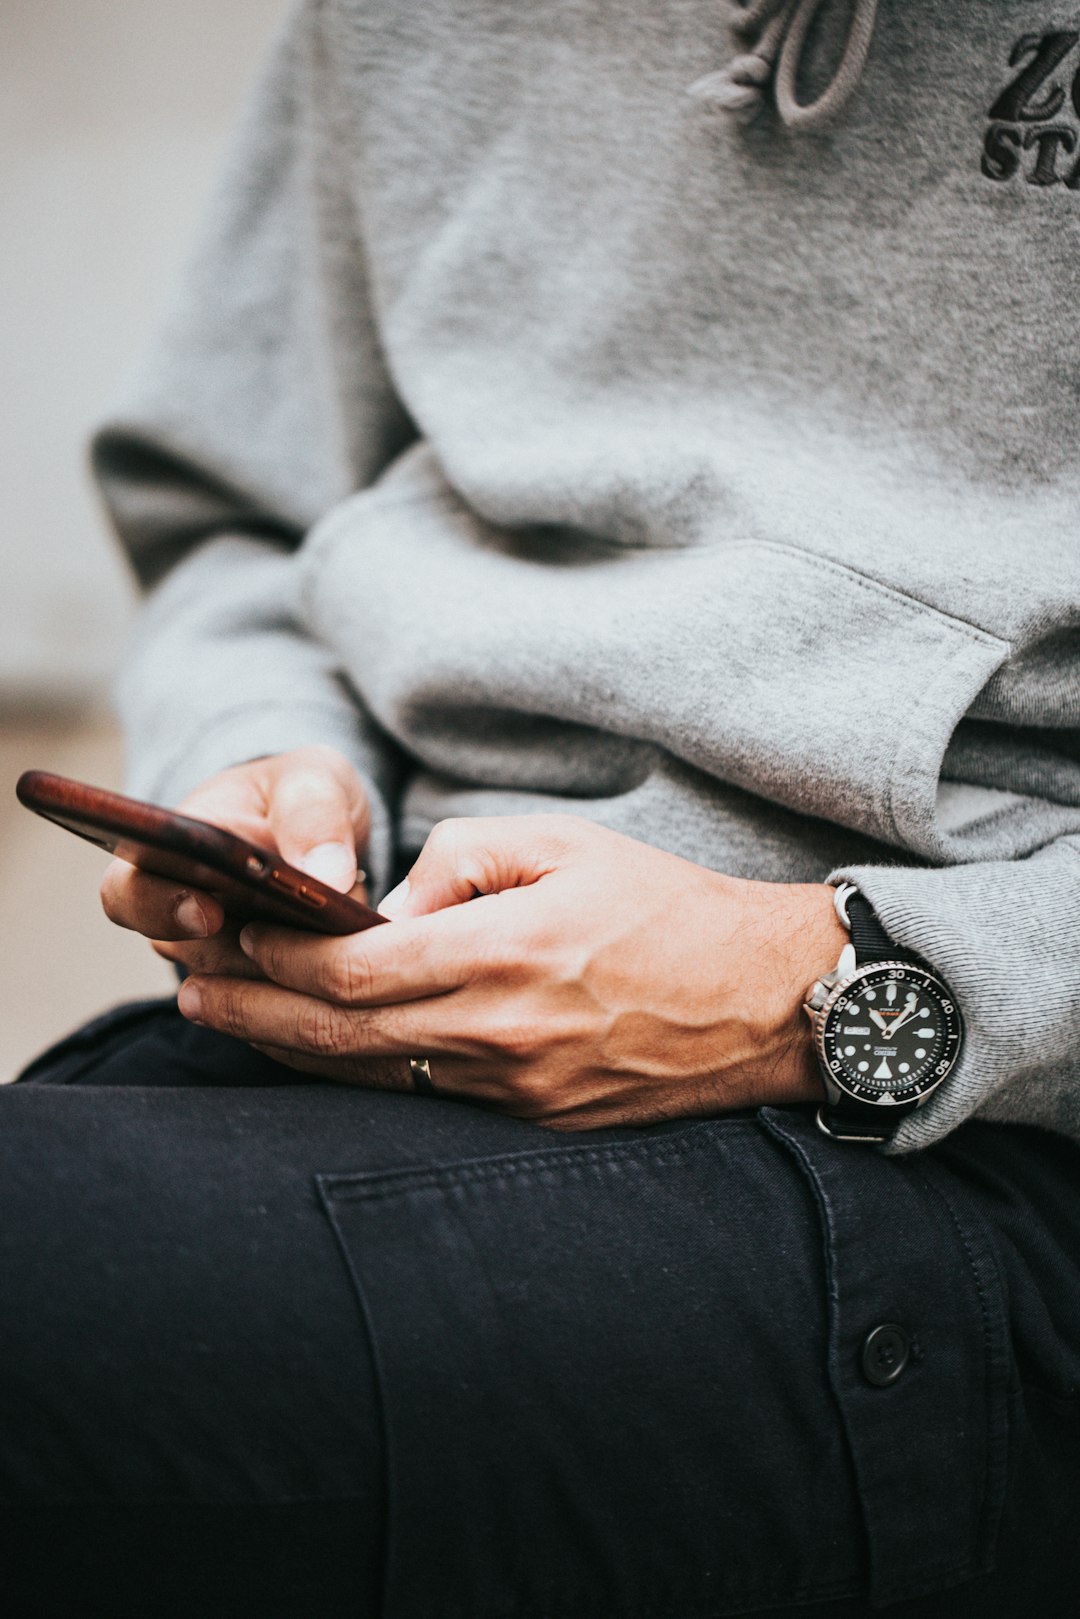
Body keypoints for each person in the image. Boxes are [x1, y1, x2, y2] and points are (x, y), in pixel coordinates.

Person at [3, 1, 1079, 1613]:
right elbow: (242, 512)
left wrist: (825, 991)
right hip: (369, 1035)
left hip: (973, 1143)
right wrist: (270, 758)